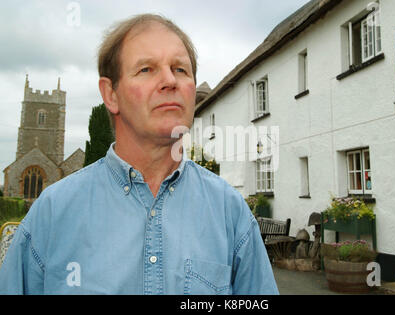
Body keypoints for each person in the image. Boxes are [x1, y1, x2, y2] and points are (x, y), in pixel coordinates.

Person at [0, 14, 279, 295]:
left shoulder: (230, 211)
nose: (170, 80)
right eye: (146, 69)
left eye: (180, 69)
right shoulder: (53, 213)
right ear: (111, 95)